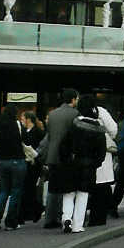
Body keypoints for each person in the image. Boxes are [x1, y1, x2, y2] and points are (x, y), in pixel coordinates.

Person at [50, 95, 106, 233]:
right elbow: (101, 152)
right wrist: (95, 164)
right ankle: (77, 225)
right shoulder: (98, 128)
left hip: (71, 164)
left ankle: (66, 218)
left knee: (69, 193)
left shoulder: (74, 125)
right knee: (83, 195)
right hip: (88, 166)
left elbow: (64, 146)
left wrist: (66, 160)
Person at [42, 90, 79, 229]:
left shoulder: (52, 114)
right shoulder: (75, 114)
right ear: (73, 99)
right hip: (67, 155)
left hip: (52, 155)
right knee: (67, 188)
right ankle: (62, 215)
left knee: (53, 188)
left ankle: (49, 218)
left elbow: (49, 135)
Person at [0, 105, 27, 230]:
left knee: (4, 190)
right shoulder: (17, 124)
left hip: (2, 161)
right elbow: (24, 139)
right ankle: (11, 222)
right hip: (17, 160)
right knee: (16, 191)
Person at [88, 101, 118, 227]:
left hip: (86, 156)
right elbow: (113, 129)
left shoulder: (78, 113)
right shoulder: (100, 111)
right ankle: (100, 216)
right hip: (102, 153)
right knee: (102, 186)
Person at [19, 111, 45, 224]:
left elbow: (42, 147)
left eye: (23, 119)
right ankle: (29, 212)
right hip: (27, 162)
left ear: (28, 119)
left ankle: (35, 211)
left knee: (32, 188)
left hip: (35, 163)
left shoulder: (38, 132)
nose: (21, 121)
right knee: (27, 188)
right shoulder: (24, 131)